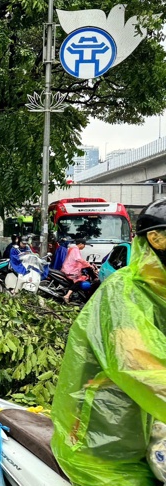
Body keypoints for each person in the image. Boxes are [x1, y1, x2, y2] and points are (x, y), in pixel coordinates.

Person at [52, 199, 166, 485]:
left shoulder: (160, 292)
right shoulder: (124, 294)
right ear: (155, 240)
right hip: (109, 437)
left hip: (151, 426)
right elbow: (139, 364)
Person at [61, 238, 96, 302]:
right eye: (84, 245)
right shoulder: (75, 249)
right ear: (80, 244)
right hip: (70, 269)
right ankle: (67, 296)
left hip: (68, 267)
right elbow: (78, 259)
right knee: (79, 280)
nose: (84, 246)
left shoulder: (72, 248)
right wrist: (88, 264)